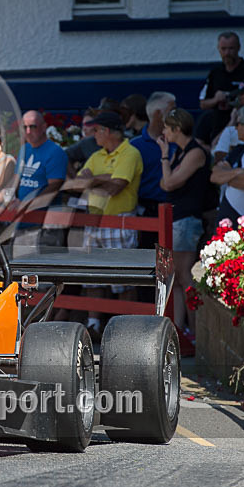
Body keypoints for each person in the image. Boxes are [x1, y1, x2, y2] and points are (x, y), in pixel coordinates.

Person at [62, 110, 143, 338]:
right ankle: (94, 325)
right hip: (95, 221)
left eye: (96, 130)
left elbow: (117, 185)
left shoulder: (131, 153)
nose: (92, 134)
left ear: (107, 131)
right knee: (93, 276)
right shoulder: (98, 155)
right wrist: (104, 178)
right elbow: (78, 182)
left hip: (119, 222)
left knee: (124, 279)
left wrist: (94, 179)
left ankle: (128, 329)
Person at [158, 109, 210, 333]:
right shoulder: (181, 152)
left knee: (184, 274)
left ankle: (197, 331)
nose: (163, 133)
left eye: (166, 128)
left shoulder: (195, 152)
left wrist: (164, 156)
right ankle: (180, 330)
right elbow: (165, 182)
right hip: (176, 219)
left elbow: (169, 183)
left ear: (177, 129)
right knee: (176, 278)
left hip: (186, 220)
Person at [0, 111, 68, 249]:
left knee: (40, 267)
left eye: (33, 127)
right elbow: (15, 181)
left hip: (44, 224)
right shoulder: (24, 149)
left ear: (44, 127)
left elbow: (54, 187)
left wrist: (25, 202)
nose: (28, 131)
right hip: (22, 222)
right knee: (20, 265)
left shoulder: (55, 152)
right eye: (25, 128)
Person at [195, 32, 244, 145]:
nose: (227, 53)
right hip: (217, 121)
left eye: (231, 49)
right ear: (218, 49)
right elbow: (202, 103)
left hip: (241, 122)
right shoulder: (215, 73)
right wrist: (216, 99)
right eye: (223, 49)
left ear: (239, 48)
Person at [129, 91, 177, 219]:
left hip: (176, 209)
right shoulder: (134, 146)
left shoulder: (179, 142)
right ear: (157, 114)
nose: (177, 115)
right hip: (145, 211)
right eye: (172, 110)